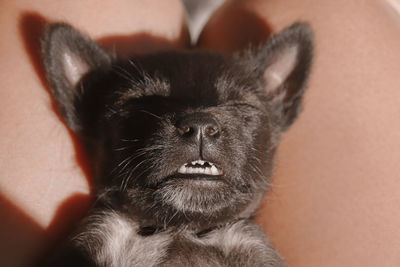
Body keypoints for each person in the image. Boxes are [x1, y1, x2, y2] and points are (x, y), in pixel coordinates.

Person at [1, 0, 400, 266]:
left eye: (243, 110)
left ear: (282, 106)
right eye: (140, 105)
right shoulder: (106, 237)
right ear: (82, 106)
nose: (201, 126)